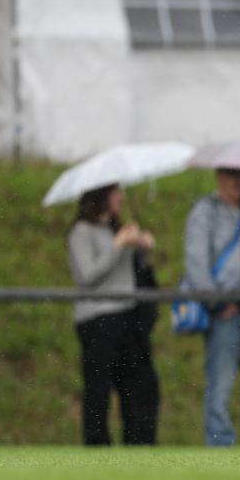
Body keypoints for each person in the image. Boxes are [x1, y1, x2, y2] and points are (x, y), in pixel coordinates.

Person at [184, 168, 240, 447]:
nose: (238, 181)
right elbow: (196, 264)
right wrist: (216, 305)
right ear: (219, 177)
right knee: (220, 388)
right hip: (226, 315)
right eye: (231, 175)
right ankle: (218, 448)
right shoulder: (204, 213)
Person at [67, 184, 160, 445]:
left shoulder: (115, 230)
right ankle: (97, 446)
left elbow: (130, 276)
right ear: (100, 195)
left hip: (128, 318)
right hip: (98, 320)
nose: (121, 197)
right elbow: (87, 275)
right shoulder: (81, 232)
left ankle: (139, 445)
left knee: (140, 387)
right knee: (98, 390)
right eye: (115, 191)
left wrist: (141, 247)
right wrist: (117, 245)